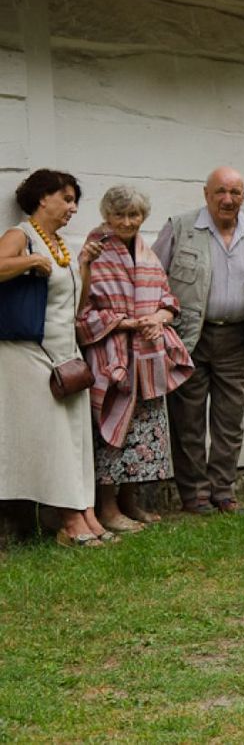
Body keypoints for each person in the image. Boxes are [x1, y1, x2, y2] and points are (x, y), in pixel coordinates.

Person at [153, 167, 244, 515]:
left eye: (235, 193)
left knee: (230, 419)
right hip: (190, 337)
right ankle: (195, 494)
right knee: (188, 418)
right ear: (206, 194)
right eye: (220, 192)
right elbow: (154, 276)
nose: (228, 200)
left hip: (236, 336)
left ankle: (223, 489)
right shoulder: (181, 227)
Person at [0, 169, 110, 546]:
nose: (73, 208)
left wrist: (84, 266)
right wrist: (28, 262)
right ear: (42, 197)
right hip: (30, 353)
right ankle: (67, 520)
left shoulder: (58, 244)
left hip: (65, 354)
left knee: (76, 435)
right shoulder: (21, 235)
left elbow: (73, 307)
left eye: (74, 200)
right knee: (55, 438)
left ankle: (85, 513)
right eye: (66, 199)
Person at [77, 185, 194, 532]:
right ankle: (108, 508)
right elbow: (82, 313)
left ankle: (131, 502)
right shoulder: (96, 251)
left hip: (148, 357)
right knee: (114, 428)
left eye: (134, 215)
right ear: (106, 216)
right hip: (113, 357)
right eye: (119, 215)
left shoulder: (147, 252)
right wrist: (125, 322)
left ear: (144, 216)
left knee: (143, 434)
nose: (127, 221)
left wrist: (158, 320)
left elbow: (169, 300)